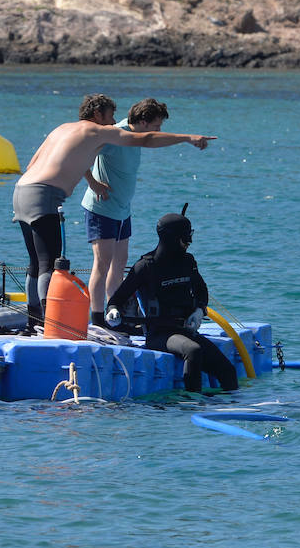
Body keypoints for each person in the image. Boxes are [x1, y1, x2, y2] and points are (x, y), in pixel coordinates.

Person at [12, 94, 214, 328]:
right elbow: (146, 139)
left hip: (22, 190)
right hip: (45, 196)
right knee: (49, 263)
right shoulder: (100, 132)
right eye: (110, 115)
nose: (114, 120)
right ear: (98, 115)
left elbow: (31, 165)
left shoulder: (62, 129)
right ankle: (50, 325)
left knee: (36, 264)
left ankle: (33, 321)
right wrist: (188, 137)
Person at [105, 212, 239, 392]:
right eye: (186, 238)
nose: (189, 242)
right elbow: (116, 300)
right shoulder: (145, 266)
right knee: (193, 351)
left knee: (228, 371)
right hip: (159, 334)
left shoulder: (188, 261)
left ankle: (227, 409)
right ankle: (192, 405)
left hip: (186, 330)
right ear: (172, 238)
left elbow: (201, 290)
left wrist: (199, 310)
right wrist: (113, 310)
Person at [79, 98, 173, 327]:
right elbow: (80, 153)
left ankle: (114, 311)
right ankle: (98, 317)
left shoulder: (135, 138)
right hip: (102, 207)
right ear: (143, 122)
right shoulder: (114, 135)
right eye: (156, 126)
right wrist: (92, 182)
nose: (159, 132)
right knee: (102, 264)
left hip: (122, 209)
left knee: (120, 263)